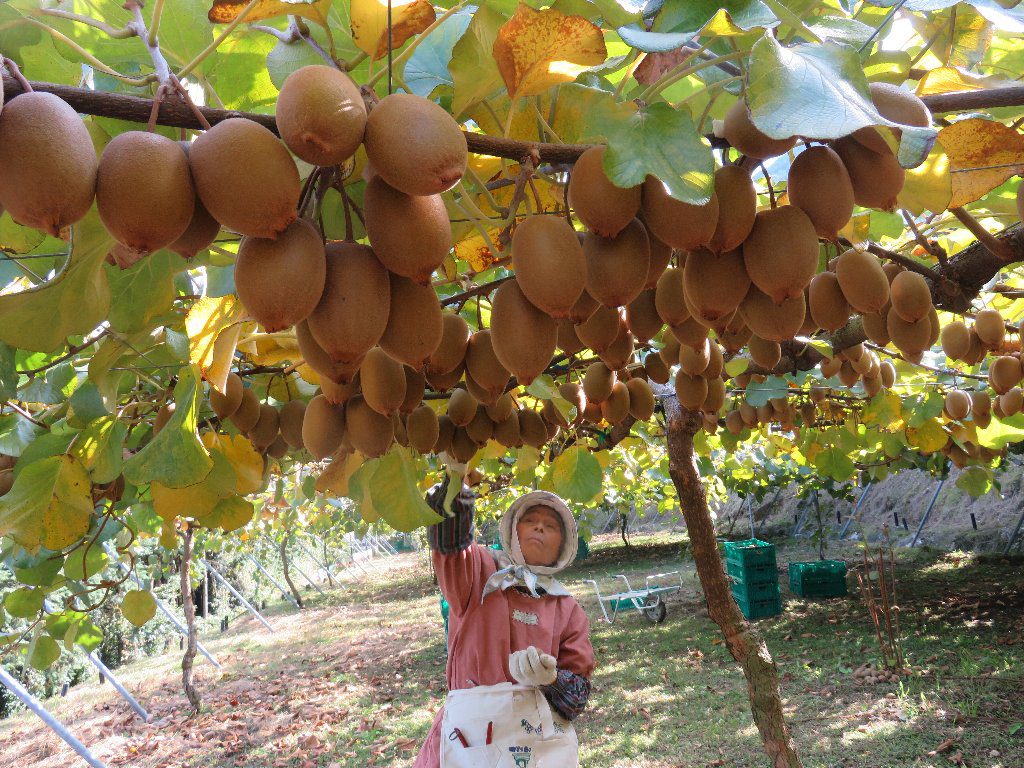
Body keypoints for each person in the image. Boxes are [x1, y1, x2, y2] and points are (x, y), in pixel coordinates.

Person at [413, 464, 595, 768]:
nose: (539, 527)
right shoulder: (479, 571)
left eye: (550, 526)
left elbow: (576, 700)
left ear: (563, 546)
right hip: (469, 738)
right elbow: (450, 544)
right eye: (530, 520)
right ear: (513, 530)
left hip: (536, 745)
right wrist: (456, 483)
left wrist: (551, 679)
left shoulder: (567, 609)